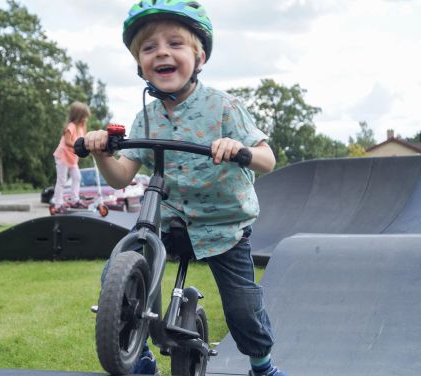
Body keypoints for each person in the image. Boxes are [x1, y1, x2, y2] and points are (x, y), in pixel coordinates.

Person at [83, 1, 286, 375]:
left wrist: (239, 150)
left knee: (242, 306)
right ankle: (139, 357)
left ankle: (263, 365)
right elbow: (121, 176)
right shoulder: (144, 119)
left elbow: (268, 159)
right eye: (149, 48)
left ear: (200, 57)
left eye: (175, 43)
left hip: (224, 226)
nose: (162, 51)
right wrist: (99, 151)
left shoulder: (224, 107)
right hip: (169, 222)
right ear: (140, 64)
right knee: (123, 269)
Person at [51, 101, 91, 213]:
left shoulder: (81, 127)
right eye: (84, 116)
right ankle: (58, 204)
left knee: (77, 177)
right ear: (78, 116)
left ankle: (75, 200)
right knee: (62, 180)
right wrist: (78, 145)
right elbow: (68, 142)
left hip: (72, 158)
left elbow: (84, 139)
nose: (86, 119)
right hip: (63, 155)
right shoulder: (71, 126)